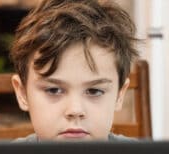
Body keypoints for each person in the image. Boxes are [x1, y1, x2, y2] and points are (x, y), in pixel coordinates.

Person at [10, 0, 139, 142]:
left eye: (94, 91)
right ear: (22, 93)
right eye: (53, 90)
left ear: (120, 95)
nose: (75, 110)